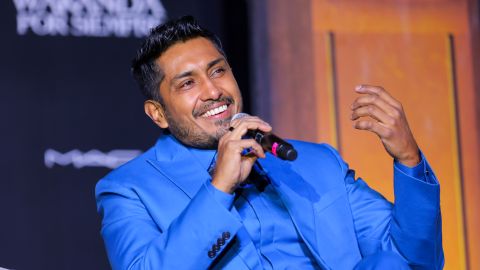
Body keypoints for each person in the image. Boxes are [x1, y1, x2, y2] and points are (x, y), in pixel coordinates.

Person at [95, 15, 444, 269]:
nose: (213, 90)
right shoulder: (129, 190)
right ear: (157, 114)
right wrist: (219, 187)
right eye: (187, 84)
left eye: (218, 71)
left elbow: (414, 261)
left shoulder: (316, 162)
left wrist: (409, 159)